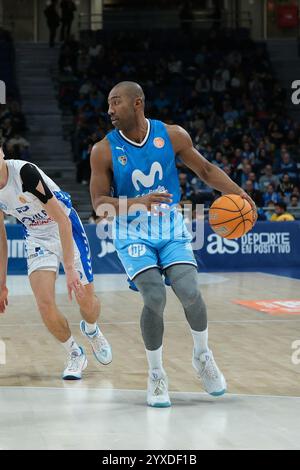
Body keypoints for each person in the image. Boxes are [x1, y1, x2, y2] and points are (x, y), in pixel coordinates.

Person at [90, 81, 257, 408]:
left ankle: (202, 355)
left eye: (116, 102)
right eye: (108, 104)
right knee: (154, 296)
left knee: (191, 291)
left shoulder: (173, 135)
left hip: (170, 227)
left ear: (137, 103)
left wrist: (239, 194)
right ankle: (156, 375)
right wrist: (140, 201)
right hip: (132, 231)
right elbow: (99, 204)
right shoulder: (103, 150)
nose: (109, 110)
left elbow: (206, 170)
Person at [0, 148, 112, 379]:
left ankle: (91, 329)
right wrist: (1, 283)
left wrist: (69, 268)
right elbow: (1, 239)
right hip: (36, 236)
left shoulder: (24, 173)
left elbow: (62, 220)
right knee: (44, 303)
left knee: (86, 301)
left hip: (64, 226)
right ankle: (75, 353)